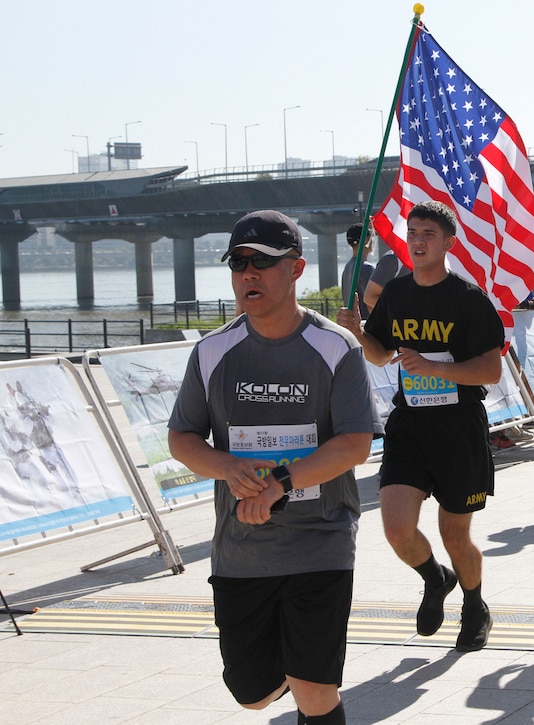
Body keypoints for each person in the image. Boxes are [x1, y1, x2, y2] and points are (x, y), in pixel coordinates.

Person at [168, 210, 381, 724]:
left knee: (315, 691)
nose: (248, 275)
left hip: (320, 542)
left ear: (297, 269)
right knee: (252, 694)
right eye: (239, 264)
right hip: (242, 551)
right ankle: (289, 670)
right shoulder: (213, 351)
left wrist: (281, 483)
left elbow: (354, 443)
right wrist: (225, 465)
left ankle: (309, 673)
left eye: (262, 263)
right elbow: (181, 438)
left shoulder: (335, 347)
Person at [337, 200, 504, 653]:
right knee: (397, 530)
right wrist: (357, 332)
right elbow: (379, 353)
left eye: (428, 233)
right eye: (412, 232)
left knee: (455, 533)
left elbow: (490, 371)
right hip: (409, 424)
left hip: (459, 427)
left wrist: (435, 368)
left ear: (448, 242)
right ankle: (436, 578)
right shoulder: (396, 292)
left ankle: (475, 605)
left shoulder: (468, 299)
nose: (417, 240)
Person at [341, 221, 375, 313]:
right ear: (366, 240)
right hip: (365, 323)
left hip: (351, 322)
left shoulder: (348, 267)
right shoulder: (366, 268)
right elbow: (371, 303)